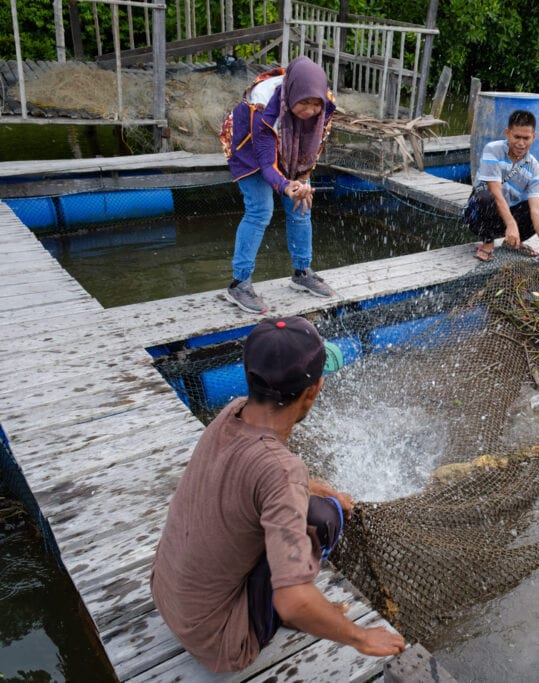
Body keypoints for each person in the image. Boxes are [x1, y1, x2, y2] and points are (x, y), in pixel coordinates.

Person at [151, 316, 405, 672]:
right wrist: (360, 637)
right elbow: (293, 601)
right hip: (222, 642)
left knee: (314, 502)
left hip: (172, 599)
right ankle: (266, 620)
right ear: (313, 389)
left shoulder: (232, 413)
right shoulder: (281, 470)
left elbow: (264, 478)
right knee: (325, 516)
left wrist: (312, 485)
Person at [221, 56, 338, 314]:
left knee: (301, 205)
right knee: (260, 209)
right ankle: (239, 283)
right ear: (291, 96)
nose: (309, 110)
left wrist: (302, 180)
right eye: (303, 103)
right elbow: (266, 165)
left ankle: (302, 271)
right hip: (249, 145)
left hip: (293, 140)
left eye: (314, 105)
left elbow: (314, 144)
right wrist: (285, 185)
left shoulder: (325, 102)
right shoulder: (263, 108)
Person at [464, 109, 539, 268]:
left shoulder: (534, 167)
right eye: (517, 137)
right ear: (508, 133)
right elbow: (495, 191)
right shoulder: (492, 150)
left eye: (526, 138)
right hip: (479, 215)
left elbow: (536, 209)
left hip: (507, 215)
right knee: (486, 197)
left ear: (534, 137)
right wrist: (511, 223)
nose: (521, 143)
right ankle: (488, 242)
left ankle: (515, 241)